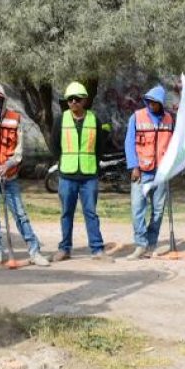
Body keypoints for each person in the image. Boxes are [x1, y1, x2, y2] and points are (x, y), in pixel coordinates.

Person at [0, 84, 49, 268]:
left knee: (20, 214)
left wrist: (8, 164)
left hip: (11, 175)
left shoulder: (15, 119)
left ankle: (34, 251)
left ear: (4, 99)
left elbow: (19, 148)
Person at [49, 82, 113, 262]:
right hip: (67, 175)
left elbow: (100, 146)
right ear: (67, 102)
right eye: (70, 99)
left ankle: (97, 250)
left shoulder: (95, 119)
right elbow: (54, 145)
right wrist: (63, 160)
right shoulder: (61, 120)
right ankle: (64, 249)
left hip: (89, 175)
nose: (74, 102)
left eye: (77, 98)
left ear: (84, 100)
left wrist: (92, 161)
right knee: (66, 213)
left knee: (91, 213)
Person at [125, 85, 174, 260]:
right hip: (142, 171)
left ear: (160, 103)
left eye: (155, 102)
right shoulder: (136, 117)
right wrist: (134, 167)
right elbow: (129, 143)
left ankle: (151, 243)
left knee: (159, 210)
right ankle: (140, 244)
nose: (151, 105)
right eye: (149, 101)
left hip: (162, 172)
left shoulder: (169, 119)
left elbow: (173, 145)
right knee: (138, 208)